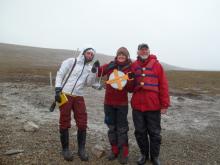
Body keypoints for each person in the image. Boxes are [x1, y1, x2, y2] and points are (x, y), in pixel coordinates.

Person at [55, 47, 100, 161]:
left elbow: (89, 83)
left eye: (92, 55)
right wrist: (57, 89)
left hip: (79, 96)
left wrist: (94, 71)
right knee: (64, 120)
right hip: (65, 93)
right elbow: (60, 74)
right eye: (88, 53)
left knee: (82, 122)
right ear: (83, 53)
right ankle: (65, 149)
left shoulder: (89, 68)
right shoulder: (71, 61)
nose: (90, 55)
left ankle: (81, 149)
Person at [130, 43, 170, 165]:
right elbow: (130, 87)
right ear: (137, 52)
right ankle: (143, 154)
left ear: (148, 51)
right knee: (140, 132)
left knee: (154, 133)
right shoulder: (134, 65)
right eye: (141, 50)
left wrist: (164, 104)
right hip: (137, 106)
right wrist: (129, 80)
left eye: (145, 50)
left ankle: (155, 156)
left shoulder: (157, 65)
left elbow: (163, 85)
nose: (143, 52)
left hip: (153, 105)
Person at [97, 47, 134, 164]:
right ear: (117, 56)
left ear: (127, 57)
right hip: (108, 104)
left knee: (122, 129)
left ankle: (123, 153)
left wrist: (130, 80)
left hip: (122, 104)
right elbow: (98, 72)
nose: (121, 57)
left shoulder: (129, 69)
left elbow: (131, 89)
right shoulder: (111, 65)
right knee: (111, 127)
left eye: (123, 55)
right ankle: (114, 151)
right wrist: (97, 67)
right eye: (119, 55)